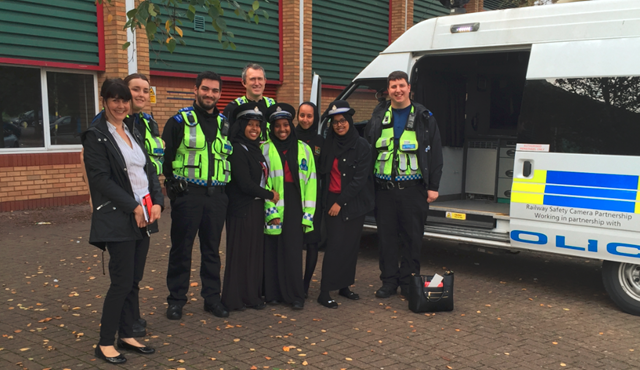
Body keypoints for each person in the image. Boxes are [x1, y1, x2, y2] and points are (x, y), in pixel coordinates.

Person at [82, 78, 163, 364]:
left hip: (143, 214)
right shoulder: (96, 135)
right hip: (120, 217)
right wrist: (133, 207)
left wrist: (158, 202)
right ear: (104, 100)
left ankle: (126, 335)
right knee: (121, 282)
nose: (120, 105)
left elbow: (149, 169)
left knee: (134, 280)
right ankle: (105, 343)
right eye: (114, 99)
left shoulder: (132, 131)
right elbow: (101, 179)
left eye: (124, 100)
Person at [364, 71, 443, 299]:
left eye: (401, 86)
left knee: (412, 239)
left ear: (409, 88)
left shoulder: (424, 116)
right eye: (393, 87)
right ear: (387, 91)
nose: (397, 90)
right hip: (384, 190)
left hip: (413, 191)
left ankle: (409, 284)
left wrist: (433, 186)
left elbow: (435, 153)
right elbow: (370, 149)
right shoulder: (379, 115)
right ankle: (388, 282)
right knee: (386, 239)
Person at [162, 71, 232, 320]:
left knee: (212, 250)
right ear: (195, 90)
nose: (209, 94)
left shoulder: (225, 124)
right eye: (205, 89)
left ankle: (212, 299)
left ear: (220, 94)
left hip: (217, 197)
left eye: (215, 90)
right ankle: (176, 300)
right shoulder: (179, 121)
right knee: (182, 249)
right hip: (188, 196)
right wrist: (174, 191)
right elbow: (166, 159)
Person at [221, 102, 279, 311]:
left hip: (255, 209)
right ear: (242, 125)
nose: (254, 129)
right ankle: (234, 299)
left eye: (257, 125)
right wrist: (270, 194)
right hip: (241, 209)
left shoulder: (255, 149)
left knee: (254, 254)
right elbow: (245, 184)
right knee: (240, 255)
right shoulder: (238, 148)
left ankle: (251, 296)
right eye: (250, 125)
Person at [317, 100, 374, 308]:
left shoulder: (362, 146)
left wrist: (341, 202)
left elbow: (360, 179)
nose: (339, 125)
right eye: (334, 122)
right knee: (334, 246)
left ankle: (344, 286)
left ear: (349, 121)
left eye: (342, 121)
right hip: (332, 201)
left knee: (350, 247)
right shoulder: (328, 144)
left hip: (352, 202)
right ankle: (324, 291)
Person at [262, 103, 317, 310]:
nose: (282, 129)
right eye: (277, 126)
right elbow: (263, 182)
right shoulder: (264, 149)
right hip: (274, 204)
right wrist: (270, 213)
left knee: (293, 251)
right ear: (271, 128)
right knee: (273, 249)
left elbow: (311, 182)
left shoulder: (304, 149)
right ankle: (273, 293)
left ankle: (295, 295)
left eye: (285, 125)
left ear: (291, 125)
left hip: (296, 205)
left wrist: (308, 214)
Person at [295, 102, 324, 297]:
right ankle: (294, 282)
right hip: (293, 198)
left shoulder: (321, 141)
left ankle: (305, 285)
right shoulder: (290, 136)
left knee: (312, 242)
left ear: (315, 118)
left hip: (314, 200)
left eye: (309, 116)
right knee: (294, 242)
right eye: (302, 115)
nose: (305, 120)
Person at [123, 73, 164, 177]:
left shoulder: (148, 121)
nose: (141, 94)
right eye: (136, 89)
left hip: (148, 187)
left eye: (145, 91)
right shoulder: (111, 120)